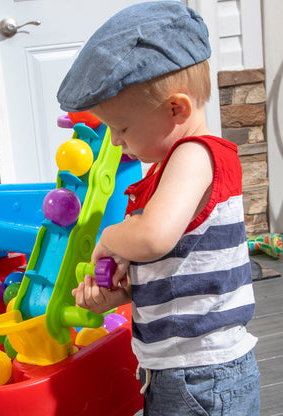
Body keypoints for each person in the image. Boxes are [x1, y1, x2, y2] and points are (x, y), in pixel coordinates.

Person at [57, 2, 260, 415]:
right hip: (178, 372)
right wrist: (120, 296)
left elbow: (152, 237)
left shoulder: (196, 155)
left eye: (123, 127)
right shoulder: (172, 170)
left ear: (176, 109)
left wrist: (111, 237)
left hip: (202, 376)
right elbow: (176, 272)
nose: (115, 142)